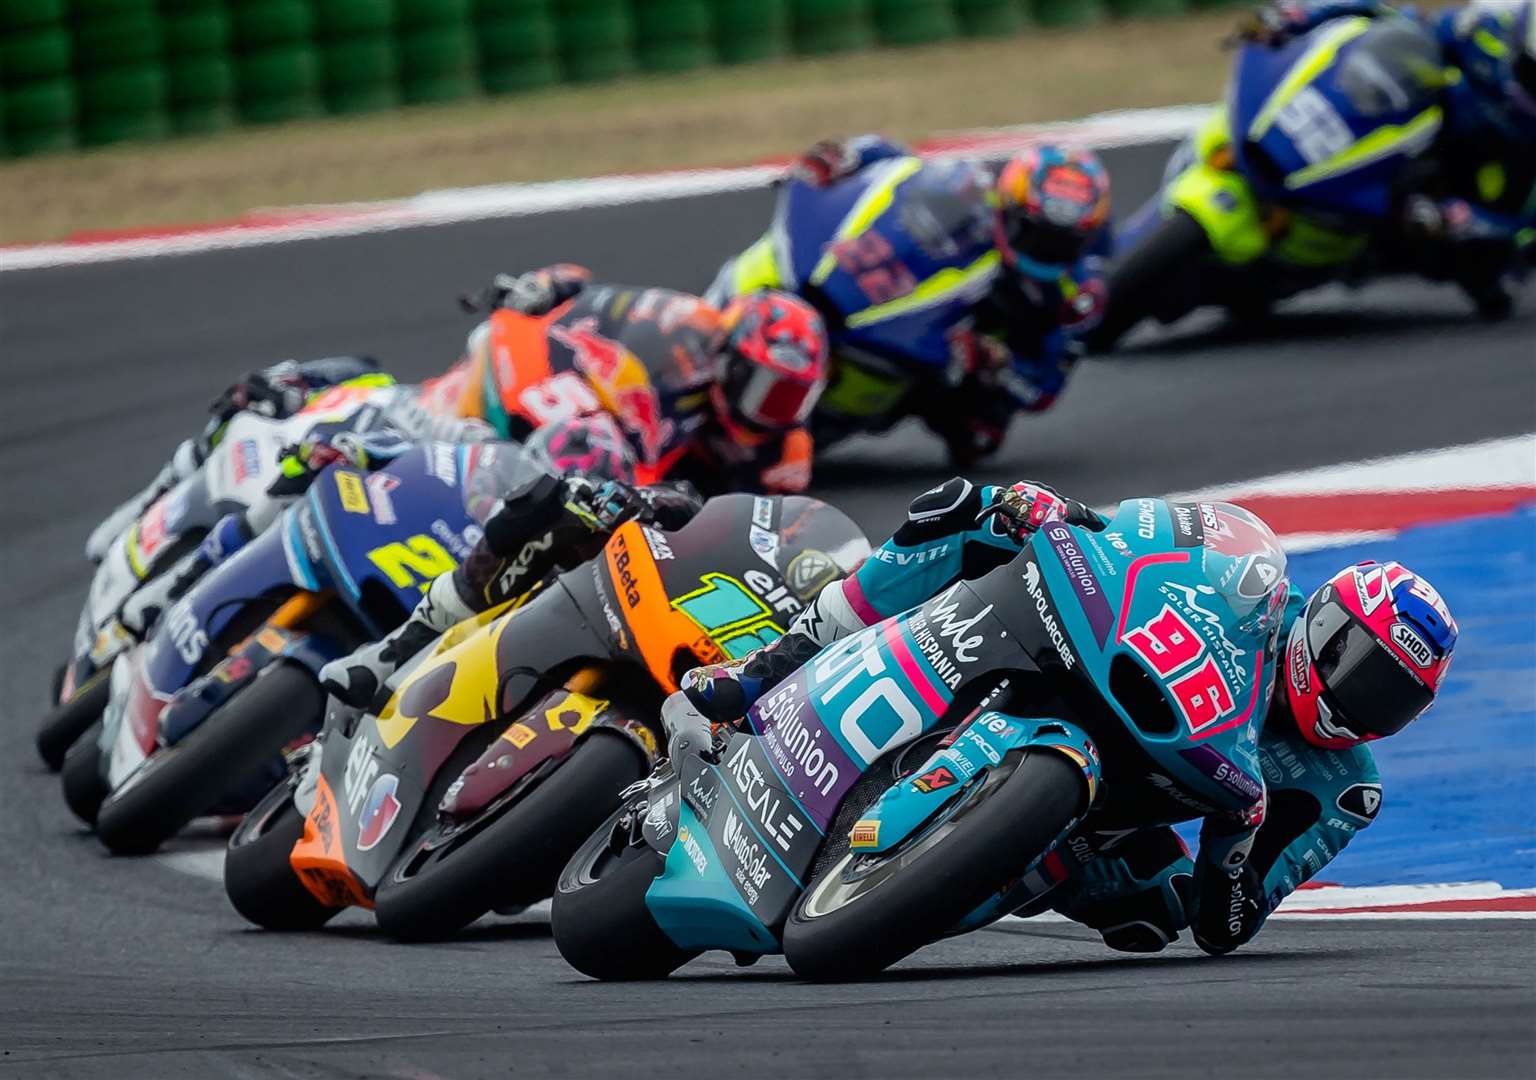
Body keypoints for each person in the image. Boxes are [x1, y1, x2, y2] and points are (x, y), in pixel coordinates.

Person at [668, 476, 1458, 956]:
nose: (1360, 700)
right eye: (1358, 666)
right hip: (1082, 654)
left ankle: (970, 855)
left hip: (1128, 803)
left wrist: (1235, 849)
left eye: (1388, 698)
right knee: (964, 512)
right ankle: (766, 670)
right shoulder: (1253, 586)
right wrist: (1062, 513)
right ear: (1323, 622)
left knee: (1161, 904)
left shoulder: (1343, 788)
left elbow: (1232, 920)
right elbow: (1149, 534)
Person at [318, 415, 706, 710]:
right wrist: (358, 449)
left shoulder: (644, 512)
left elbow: (692, 508)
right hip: (439, 559)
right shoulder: (485, 446)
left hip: (555, 610)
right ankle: (390, 654)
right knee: (536, 512)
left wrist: (644, 506)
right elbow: (410, 438)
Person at [783, 136, 1112, 463]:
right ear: (1010, 204)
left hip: (959, 360)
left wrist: (996, 365)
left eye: (1059, 242)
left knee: (979, 434)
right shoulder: (970, 187)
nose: (1042, 248)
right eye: (1034, 232)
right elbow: (897, 160)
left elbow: (1043, 389)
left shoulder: (1077, 296)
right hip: (897, 285)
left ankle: (836, 413)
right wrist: (844, 157)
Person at [1236, 0, 1536, 317]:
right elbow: (1396, 19)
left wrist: (1465, 220)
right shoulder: (1486, 31)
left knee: (1485, 266)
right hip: (1404, 119)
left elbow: (1524, 229)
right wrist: (1302, 16)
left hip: (1451, 187)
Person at [437, 265, 831, 495]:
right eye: (769, 392)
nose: (775, 414)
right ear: (733, 366)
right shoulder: (684, 341)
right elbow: (615, 303)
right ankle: (425, 425)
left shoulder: (787, 454)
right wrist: (555, 288)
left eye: (795, 398)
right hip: (573, 395)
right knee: (579, 450)